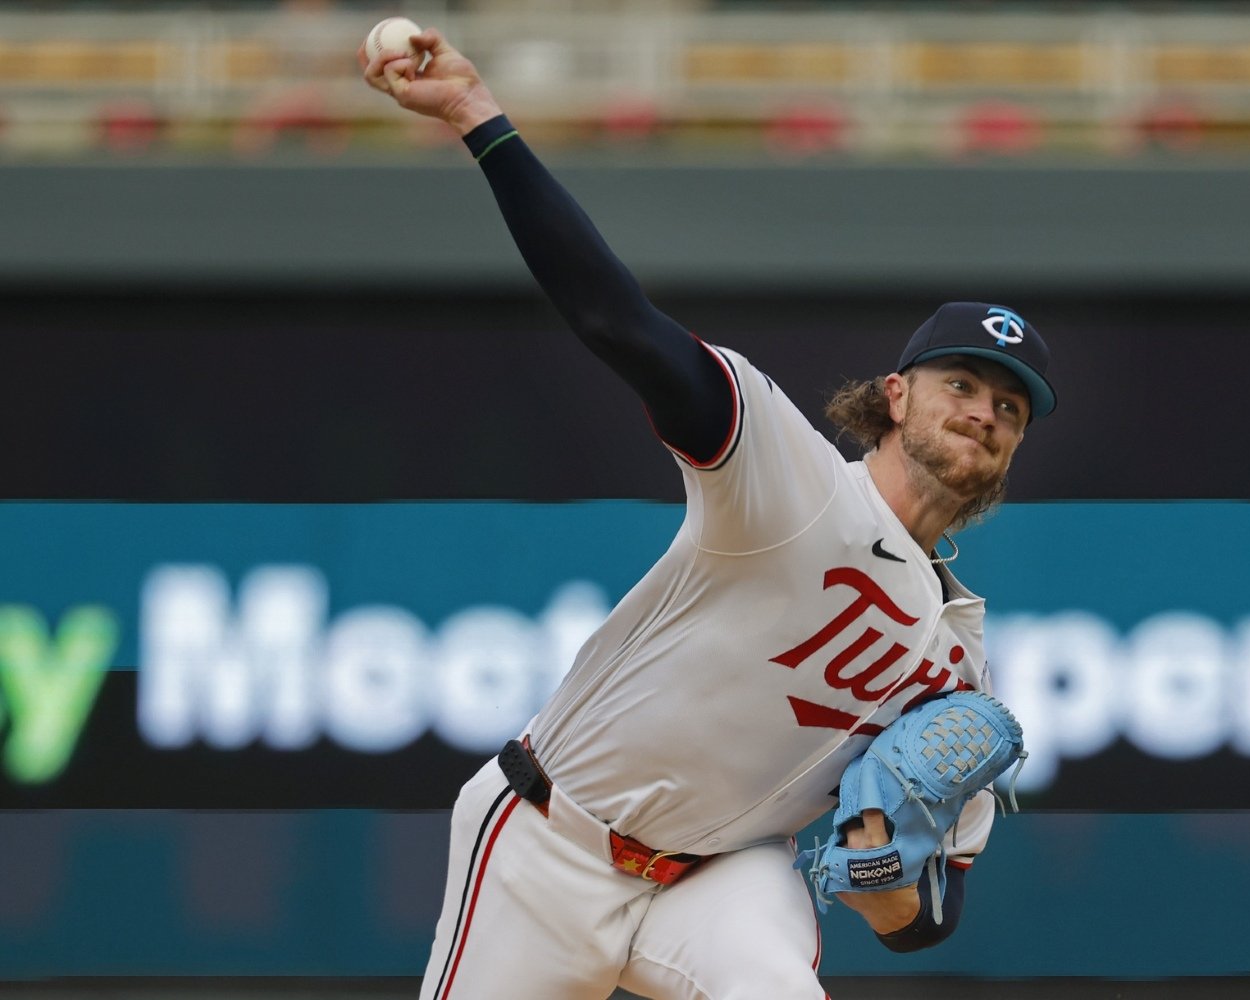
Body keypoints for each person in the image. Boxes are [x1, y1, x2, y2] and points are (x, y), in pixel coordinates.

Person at [360, 29, 1057, 1000]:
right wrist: (479, 116)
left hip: (719, 879)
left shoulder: (961, 669)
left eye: (1010, 408)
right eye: (964, 385)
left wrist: (878, 863)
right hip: (552, 840)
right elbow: (618, 323)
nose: (985, 412)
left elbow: (927, 921)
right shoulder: (792, 477)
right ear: (897, 395)